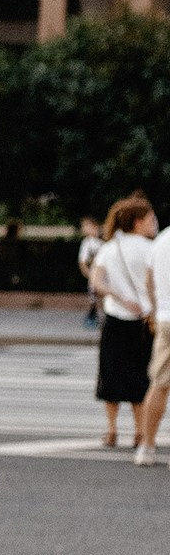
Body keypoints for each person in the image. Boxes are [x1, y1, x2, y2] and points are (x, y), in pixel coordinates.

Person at [91, 195, 157, 452]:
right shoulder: (151, 249)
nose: (154, 223)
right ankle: (140, 431)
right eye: (150, 219)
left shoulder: (109, 248)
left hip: (115, 319)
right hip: (144, 321)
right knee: (141, 377)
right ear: (138, 222)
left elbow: (97, 282)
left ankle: (111, 429)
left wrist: (118, 296)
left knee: (111, 375)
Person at [137, 209, 170, 467]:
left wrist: (156, 308)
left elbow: (149, 282)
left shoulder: (160, 242)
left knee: (159, 384)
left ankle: (147, 447)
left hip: (166, 319)